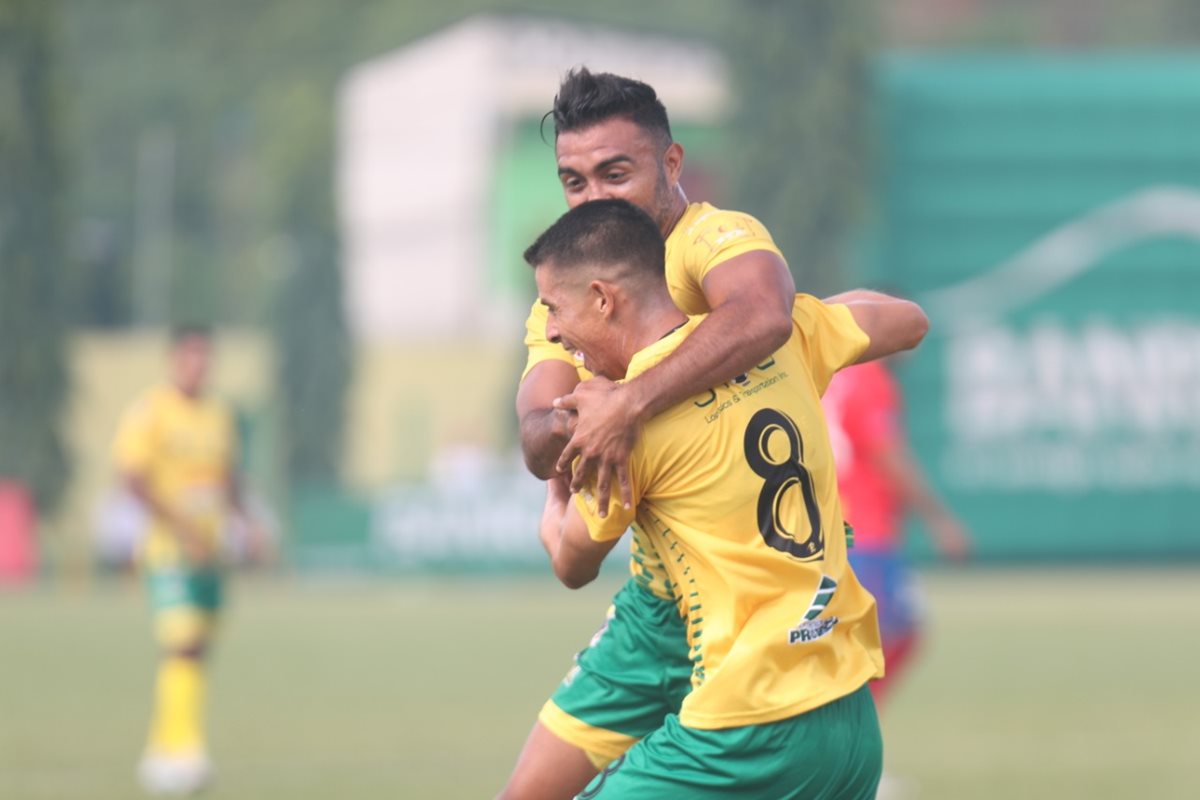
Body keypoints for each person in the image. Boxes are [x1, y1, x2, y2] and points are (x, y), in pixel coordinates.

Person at [528, 199, 929, 799]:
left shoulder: (626, 428)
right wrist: (799, 316)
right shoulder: (787, 337)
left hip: (747, 729)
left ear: (604, 298)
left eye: (555, 309)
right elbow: (909, 322)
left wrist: (557, 492)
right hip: (848, 724)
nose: (553, 332)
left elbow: (570, 561)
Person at [504, 67, 797, 800]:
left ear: (672, 165)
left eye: (615, 172)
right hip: (656, 604)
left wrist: (628, 401)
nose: (593, 198)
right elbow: (538, 434)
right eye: (574, 181)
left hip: (748, 594)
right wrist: (577, 417)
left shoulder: (712, 238)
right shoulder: (570, 291)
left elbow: (765, 315)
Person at [112, 325, 262, 795]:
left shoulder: (218, 413)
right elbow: (133, 478)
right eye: (191, 356)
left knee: (198, 651)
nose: (199, 365)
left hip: (210, 551)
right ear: (174, 360)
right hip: (171, 550)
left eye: (205, 357)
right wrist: (180, 527)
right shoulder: (152, 411)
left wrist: (249, 522)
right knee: (183, 643)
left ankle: (161, 750)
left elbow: (227, 478)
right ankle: (184, 750)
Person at [821, 357, 971, 709]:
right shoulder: (869, 376)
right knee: (894, 633)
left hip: (834, 528)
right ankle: (853, 734)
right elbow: (887, 452)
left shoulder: (828, 372)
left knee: (870, 639)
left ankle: (854, 733)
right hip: (865, 533)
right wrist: (938, 519)